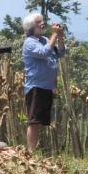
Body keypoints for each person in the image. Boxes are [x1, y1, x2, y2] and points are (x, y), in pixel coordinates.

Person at [20, 12, 67, 152]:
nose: (42, 24)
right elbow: (44, 53)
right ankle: (30, 152)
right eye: (39, 22)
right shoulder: (29, 43)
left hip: (47, 87)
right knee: (34, 122)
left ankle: (33, 149)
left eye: (42, 21)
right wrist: (54, 35)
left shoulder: (45, 39)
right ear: (31, 27)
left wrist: (59, 36)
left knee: (40, 122)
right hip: (36, 87)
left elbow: (61, 53)